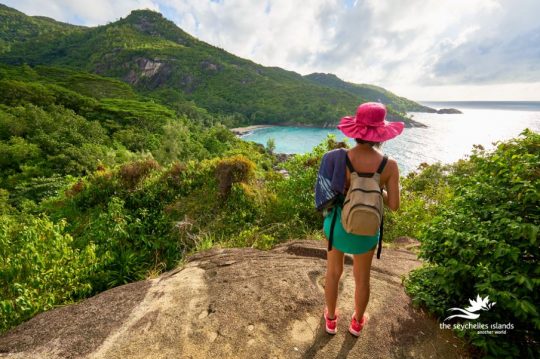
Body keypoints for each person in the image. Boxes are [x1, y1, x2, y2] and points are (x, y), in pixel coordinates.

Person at [314, 102, 403, 337]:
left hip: (338, 228)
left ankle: (331, 319)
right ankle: (357, 323)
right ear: (380, 134)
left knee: (333, 272)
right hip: (367, 231)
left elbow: (330, 192)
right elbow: (393, 205)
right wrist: (376, 187)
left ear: (356, 131)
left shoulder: (340, 159)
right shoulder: (390, 165)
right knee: (363, 279)